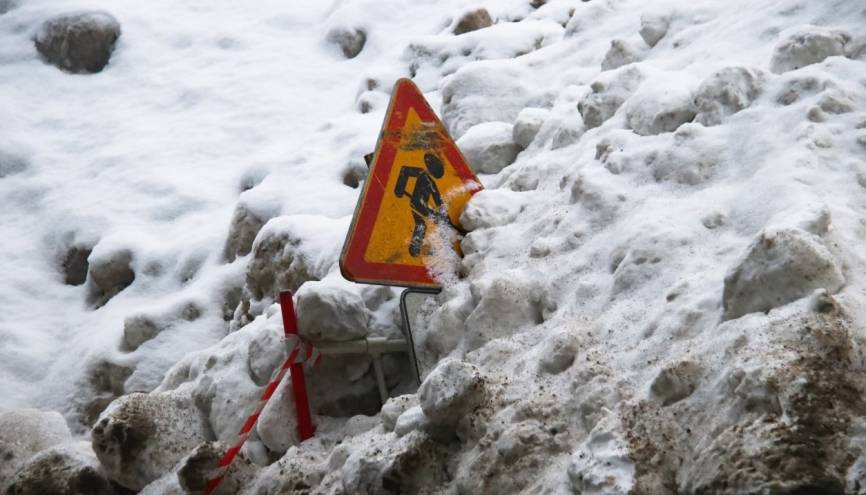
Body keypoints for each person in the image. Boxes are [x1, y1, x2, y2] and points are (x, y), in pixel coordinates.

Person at [394, 152, 449, 257]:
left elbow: (438, 199)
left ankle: (414, 249)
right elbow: (404, 170)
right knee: (427, 223)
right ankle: (416, 249)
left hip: (419, 204)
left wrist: (443, 212)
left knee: (421, 224)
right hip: (418, 203)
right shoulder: (422, 174)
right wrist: (399, 188)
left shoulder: (430, 182)